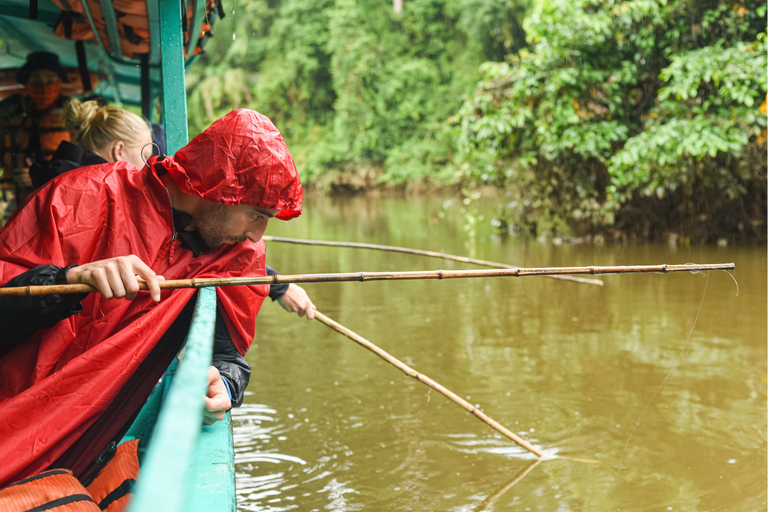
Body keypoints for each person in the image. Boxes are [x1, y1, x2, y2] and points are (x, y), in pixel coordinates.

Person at [0, 109, 306, 487]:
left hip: (79, 447)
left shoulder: (237, 254)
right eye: (257, 215)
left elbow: (228, 357)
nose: (257, 236)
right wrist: (68, 279)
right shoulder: (78, 196)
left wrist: (223, 383)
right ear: (220, 191)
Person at [0, 52, 72, 207]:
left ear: (59, 81)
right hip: (14, 194)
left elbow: (82, 165)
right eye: (36, 79)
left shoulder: (73, 114)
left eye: (50, 79)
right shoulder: (8, 111)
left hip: (59, 195)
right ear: (26, 81)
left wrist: (40, 175)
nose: (44, 85)